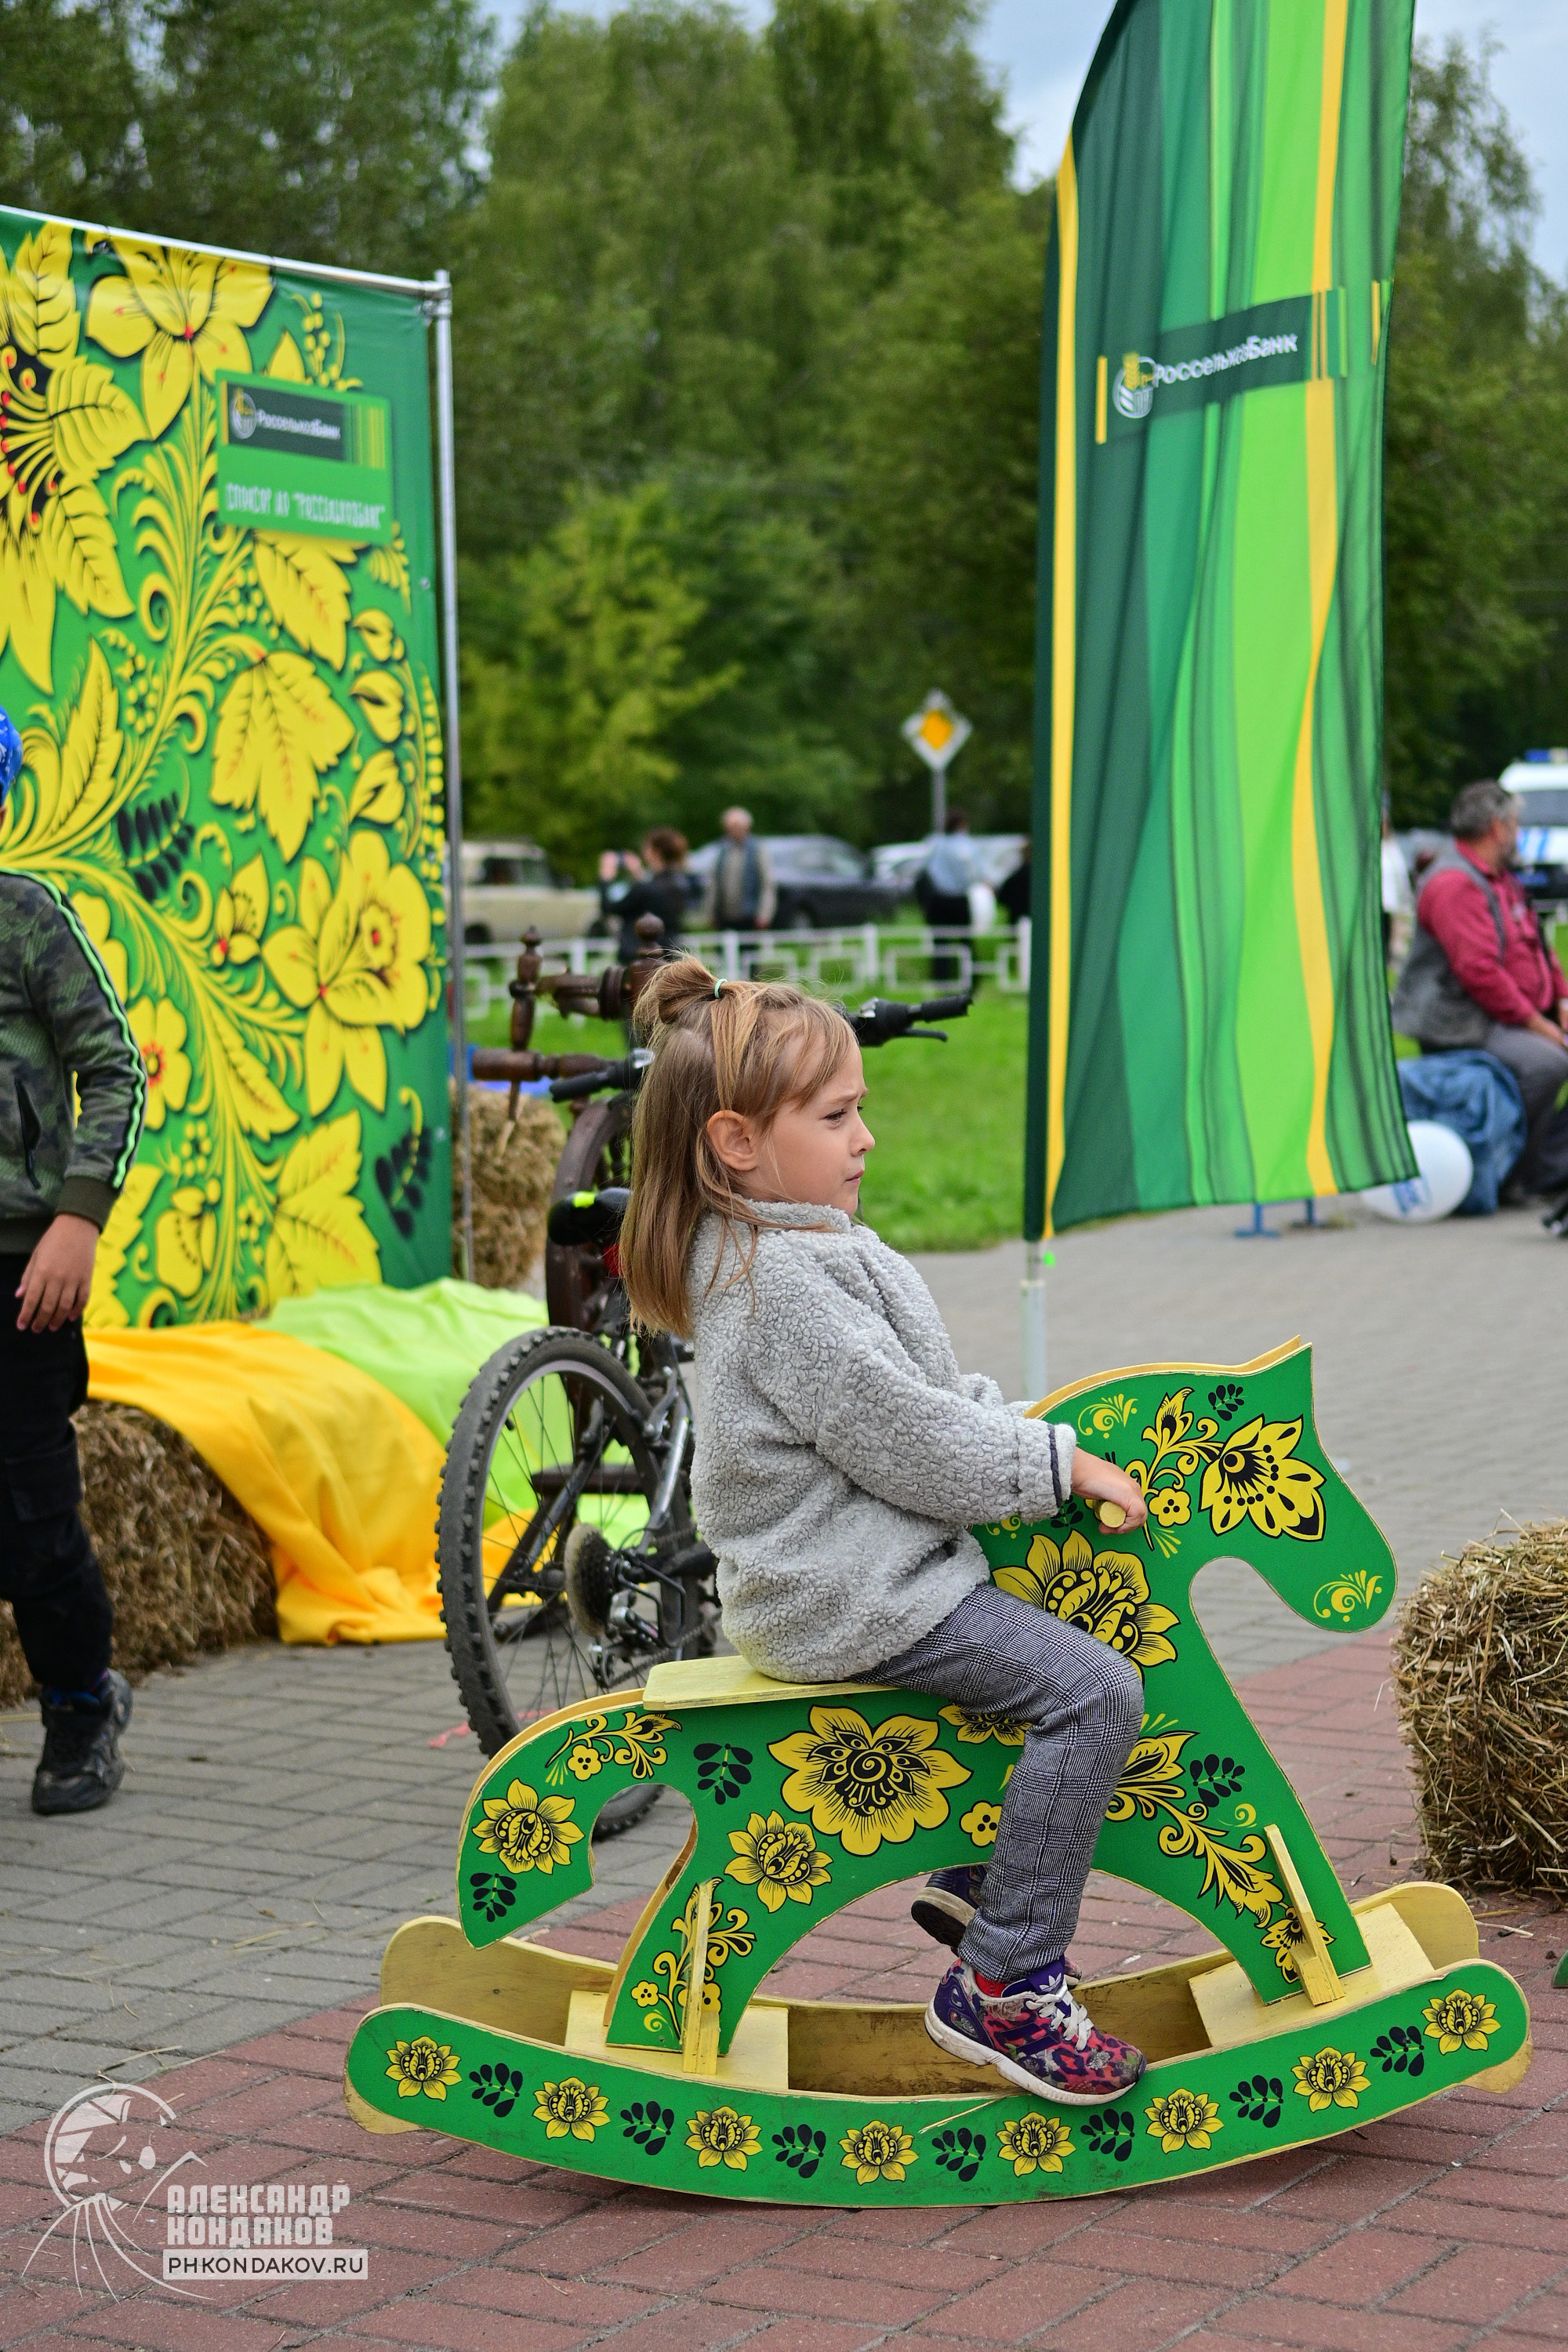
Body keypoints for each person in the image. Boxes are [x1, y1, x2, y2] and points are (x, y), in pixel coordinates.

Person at [618, 959, 1149, 2103]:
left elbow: (921, 1399)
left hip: (861, 1576)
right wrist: (1056, 1463)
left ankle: (977, 1877)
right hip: (852, 1595)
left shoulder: (790, 1250)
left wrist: (1016, 1431)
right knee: (1093, 1692)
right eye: (837, 1114)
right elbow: (909, 1442)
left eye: (859, 1109)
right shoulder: (784, 1286)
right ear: (736, 1143)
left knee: (1038, 1652)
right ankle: (1006, 1980)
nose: (867, 1137)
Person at [0, 704, 147, 1813]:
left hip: (21, 1270)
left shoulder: (27, 918)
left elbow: (116, 1070)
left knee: (32, 1515)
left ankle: (80, 1709)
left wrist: (76, 1217)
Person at [1392, 778, 1568, 1207]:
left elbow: (1539, 946)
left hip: (1500, 1013)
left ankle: (1548, 1169)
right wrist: (1541, 1027)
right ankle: (1513, 1171)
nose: (1517, 833)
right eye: (1514, 824)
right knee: (1546, 1064)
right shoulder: (1454, 883)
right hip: (1461, 1021)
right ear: (1496, 827)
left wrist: (1561, 1000)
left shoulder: (1500, 879)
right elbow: (1480, 973)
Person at [918, 811, 978, 982]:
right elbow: (975, 872)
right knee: (965, 940)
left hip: (938, 900)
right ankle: (969, 978)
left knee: (940, 942)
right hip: (959, 899)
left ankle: (942, 979)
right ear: (961, 826)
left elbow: (926, 868)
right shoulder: (965, 845)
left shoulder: (936, 843)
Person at [614, 828, 691, 961]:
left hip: (644, 955)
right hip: (671, 951)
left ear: (656, 851)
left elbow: (613, 907)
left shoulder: (649, 888)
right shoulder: (680, 882)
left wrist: (606, 877)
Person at [710, 807, 775, 932]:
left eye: (736, 827)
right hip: (724, 916)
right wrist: (711, 911)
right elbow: (714, 883)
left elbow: (767, 883)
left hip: (750, 915)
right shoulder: (723, 849)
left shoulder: (757, 849)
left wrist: (765, 913)